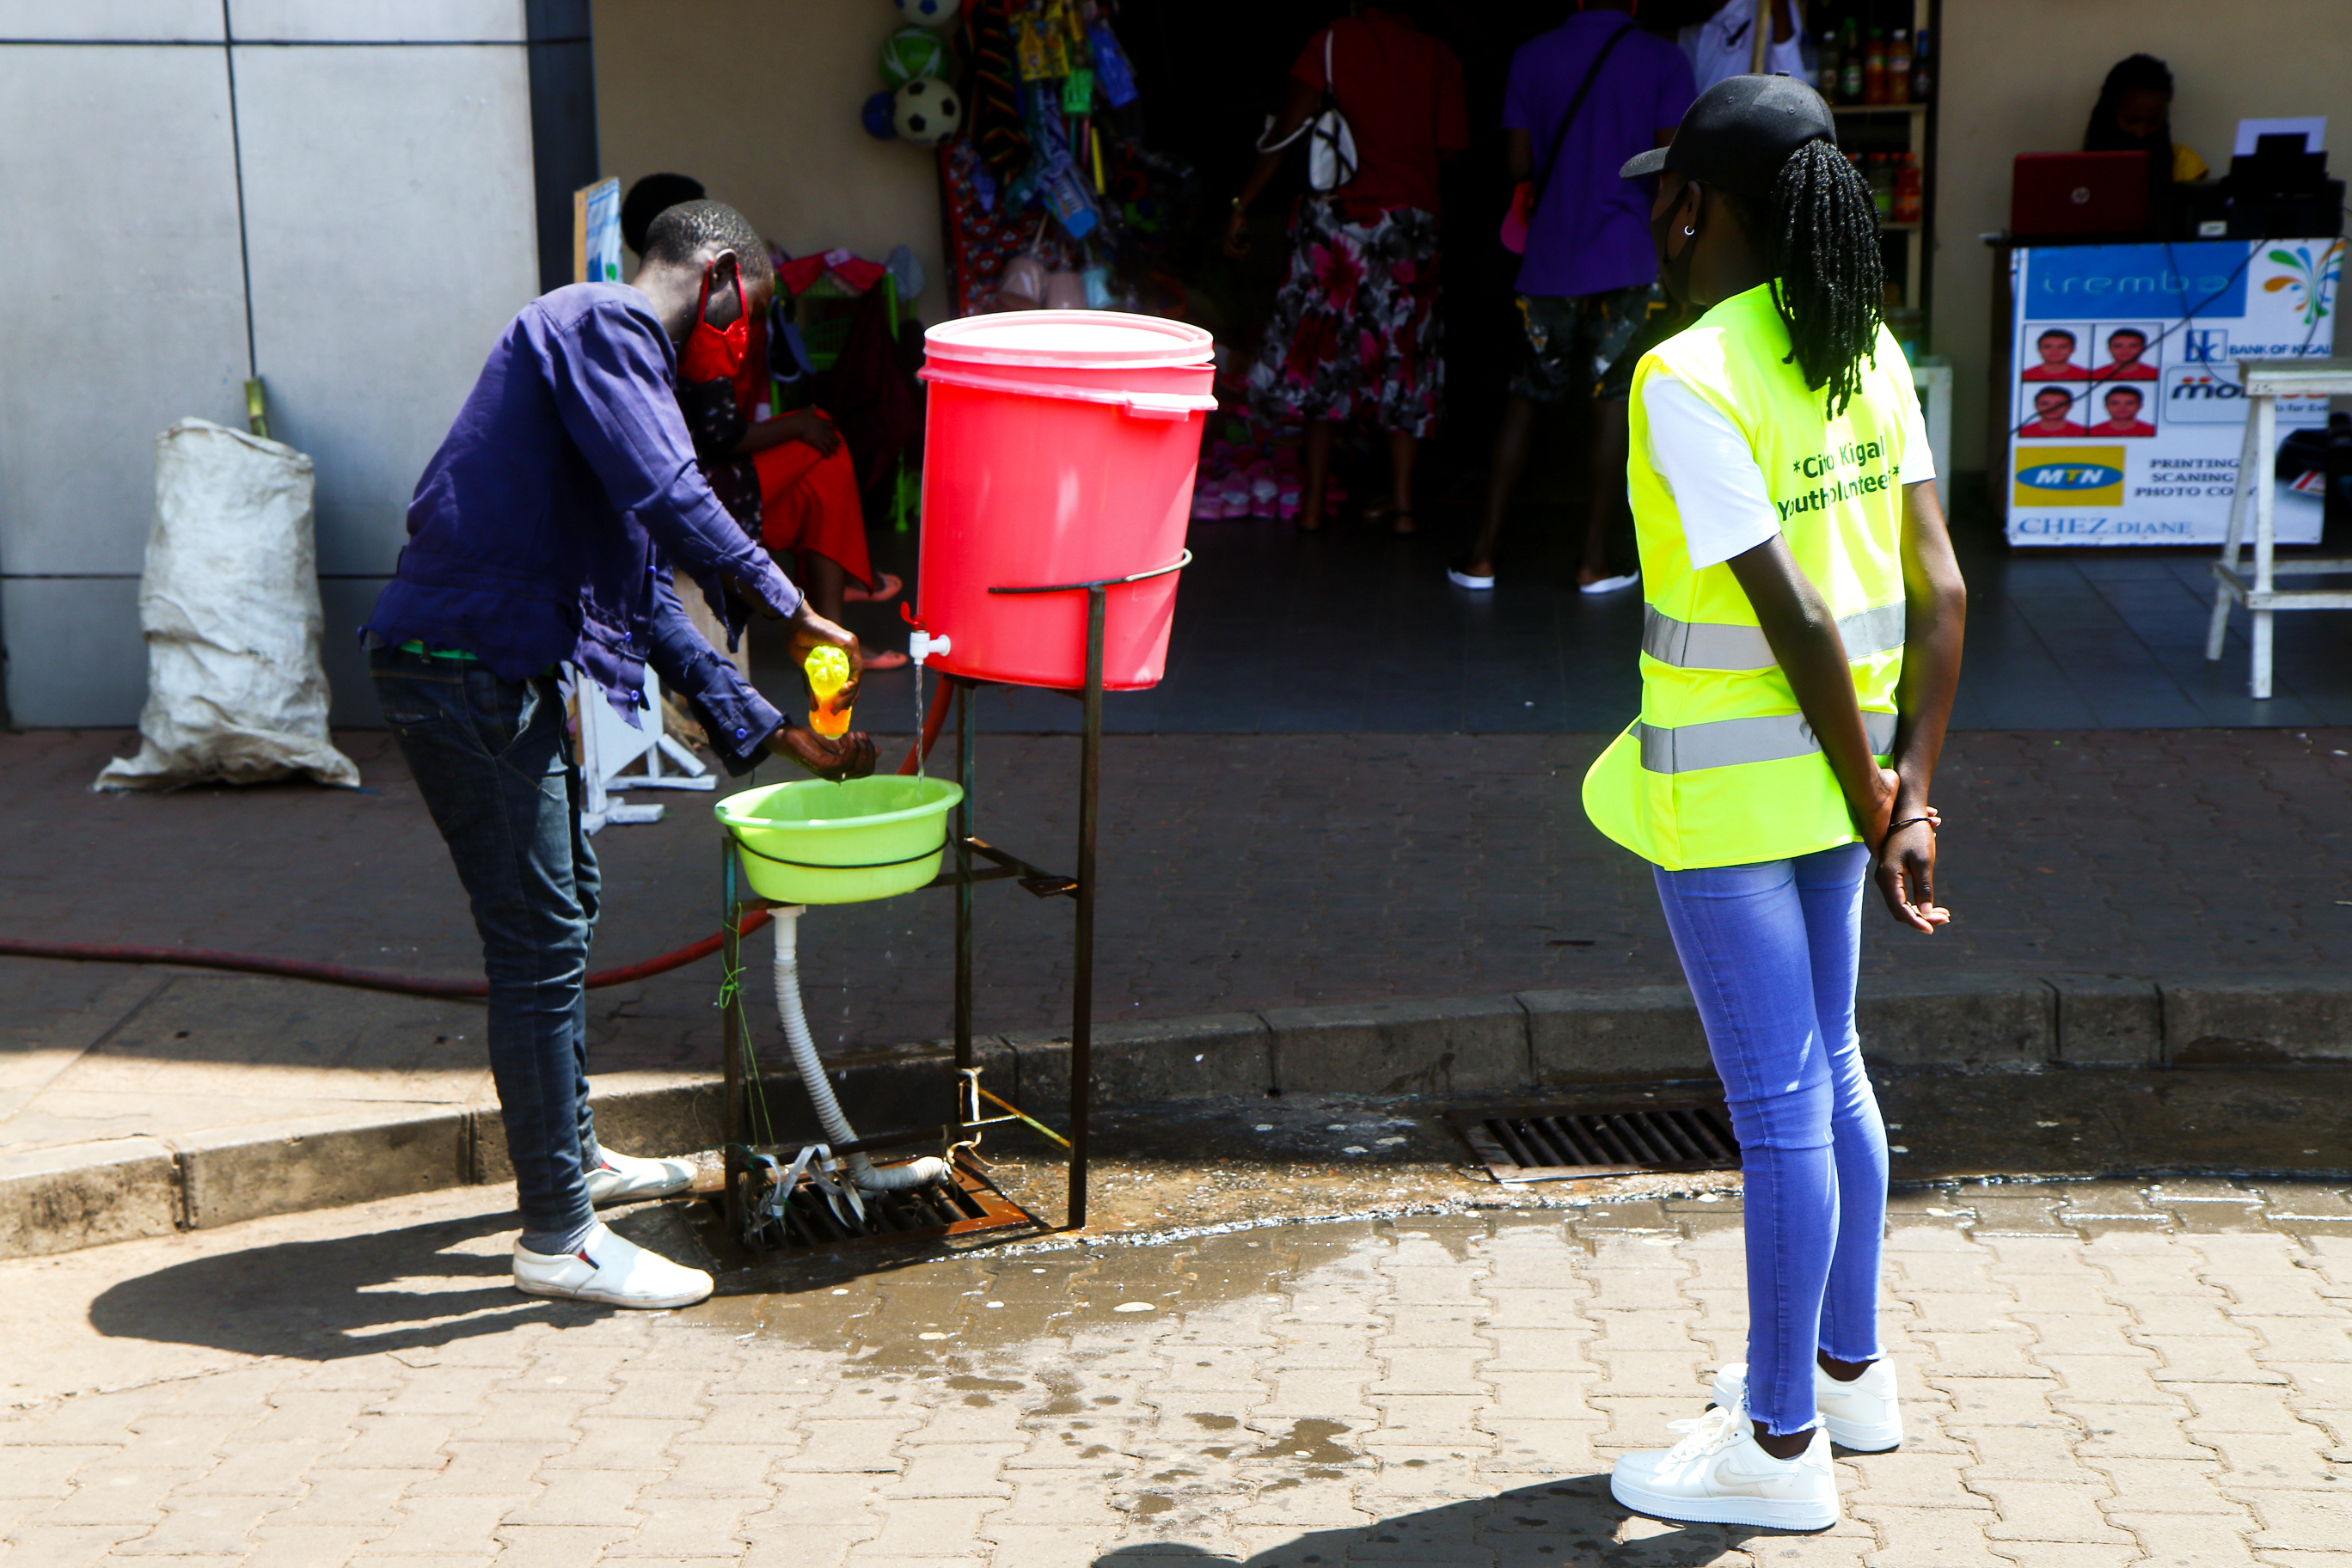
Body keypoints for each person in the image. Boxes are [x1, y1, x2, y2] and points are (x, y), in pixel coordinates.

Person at [364, 199, 879, 1312]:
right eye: (759, 312)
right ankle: (559, 1235)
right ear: (721, 280)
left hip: (489, 667)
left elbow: (644, 594)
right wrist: (792, 605)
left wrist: (778, 732)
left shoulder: (613, 381)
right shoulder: (602, 327)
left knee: (568, 901)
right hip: (457, 664)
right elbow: (671, 498)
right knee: (539, 934)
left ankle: (573, 1159)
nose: (750, 346)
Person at [1585, 75, 1965, 1530]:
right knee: (1835, 1067)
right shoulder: (1864, 345)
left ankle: (1778, 1439)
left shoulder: (1686, 375)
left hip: (1737, 800)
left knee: (1780, 1101)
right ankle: (1847, 1373)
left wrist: (1877, 792)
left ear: (1704, 204)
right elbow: (1940, 587)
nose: (1657, 218)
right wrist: (1905, 793)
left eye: (1665, 193)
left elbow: (1798, 612)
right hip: (1839, 786)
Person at [1454, 0, 1696, 592]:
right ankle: (1593, 560)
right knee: (1613, 405)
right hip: (1627, 256)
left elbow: (1517, 163)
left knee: (1524, 398)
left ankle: (1483, 554)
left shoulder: (1532, 56)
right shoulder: (1663, 59)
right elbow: (1673, 165)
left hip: (1550, 256)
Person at [1225, 3, 1468, 534]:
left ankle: (1312, 505)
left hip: (1336, 227)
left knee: (1323, 360)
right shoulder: (1439, 58)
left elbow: (1285, 132)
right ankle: (1403, 509)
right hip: (1409, 228)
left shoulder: (1331, 43)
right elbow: (1451, 154)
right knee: (1406, 365)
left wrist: (1242, 205)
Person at [2083, 52, 2208, 223]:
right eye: (2131, 121)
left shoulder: (2184, 163)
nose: (2141, 132)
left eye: (2153, 122)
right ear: (2109, 113)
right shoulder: (2079, 168)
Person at [1681, 0, 1804, 93]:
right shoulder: (1689, 30)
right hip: (1703, 121)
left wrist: (1779, 11)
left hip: (1748, 120)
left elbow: (1792, 82)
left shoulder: (1765, 7)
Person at [2020, 328, 2088, 381]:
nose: (2055, 351)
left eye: (2062, 347)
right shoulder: (2024, 376)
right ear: (2039, 350)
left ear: (2073, 349)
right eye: (2048, 347)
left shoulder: (2086, 375)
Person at [2093, 326, 2159, 381]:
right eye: (2118, 346)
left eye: (2133, 346)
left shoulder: (2156, 374)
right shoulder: (2095, 375)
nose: (2126, 350)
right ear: (2110, 349)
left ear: (2143, 349)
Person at [2088, 384, 2156, 437]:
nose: (2122, 408)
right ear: (2106, 406)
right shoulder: (2091, 432)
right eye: (2115, 403)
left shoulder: (2152, 431)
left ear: (2140, 406)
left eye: (2129, 403)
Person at [2020, 386, 2087, 438]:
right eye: (2045, 404)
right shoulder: (2023, 432)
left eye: (2059, 404)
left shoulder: (2083, 432)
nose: (2052, 408)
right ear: (2036, 406)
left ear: (2069, 407)